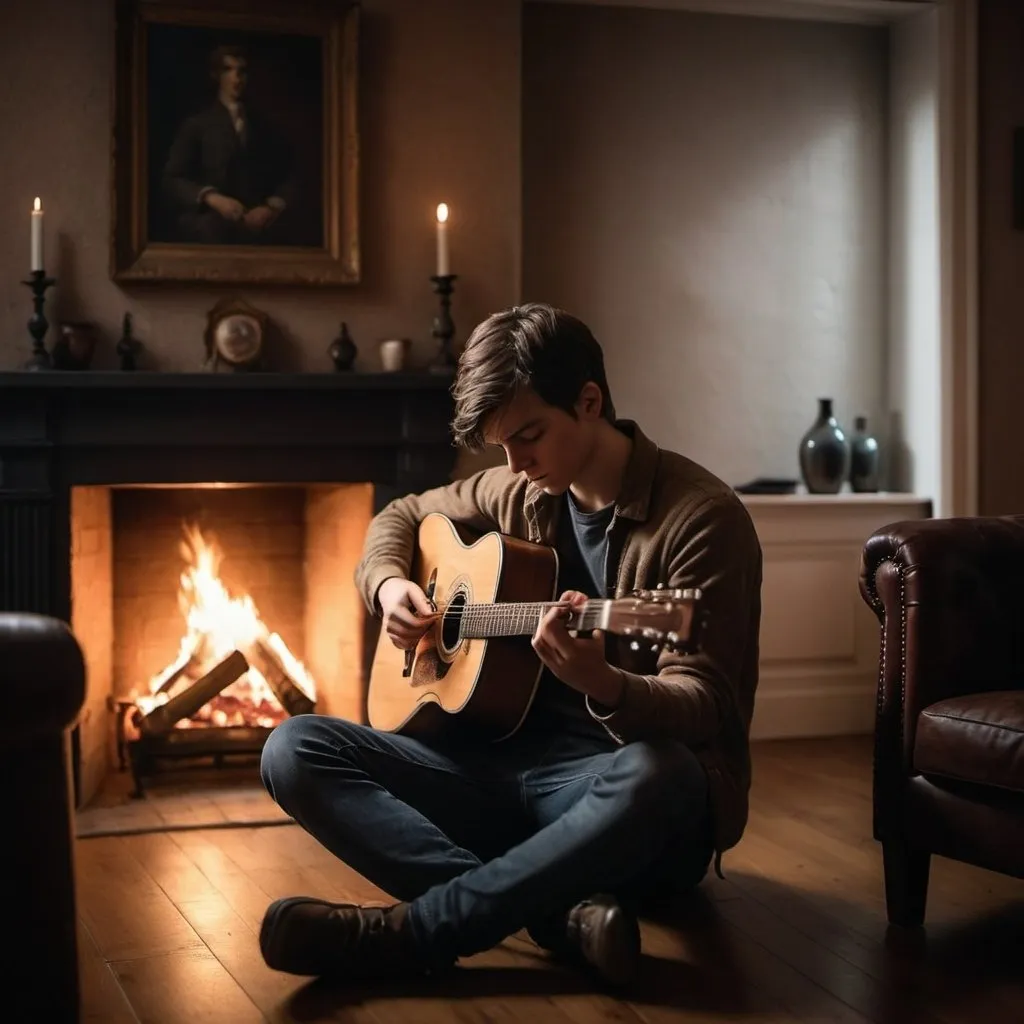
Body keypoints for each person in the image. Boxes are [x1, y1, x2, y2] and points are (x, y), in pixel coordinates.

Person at [258, 303, 762, 987]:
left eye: (529, 436)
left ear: (589, 401)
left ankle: (406, 934)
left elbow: (704, 703)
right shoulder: (519, 489)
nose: (516, 464)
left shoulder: (701, 518)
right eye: (501, 447)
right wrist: (386, 588)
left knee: (664, 775)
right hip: (494, 767)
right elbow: (402, 515)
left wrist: (606, 685)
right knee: (292, 748)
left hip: (605, 797)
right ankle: (551, 916)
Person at [161, 44, 296, 245]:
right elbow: (172, 179)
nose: (236, 78)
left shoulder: (265, 127)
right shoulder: (197, 124)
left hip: (258, 228)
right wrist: (213, 198)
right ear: (216, 75)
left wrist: (270, 208)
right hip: (211, 227)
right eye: (228, 70)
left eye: (241, 71)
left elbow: (289, 177)